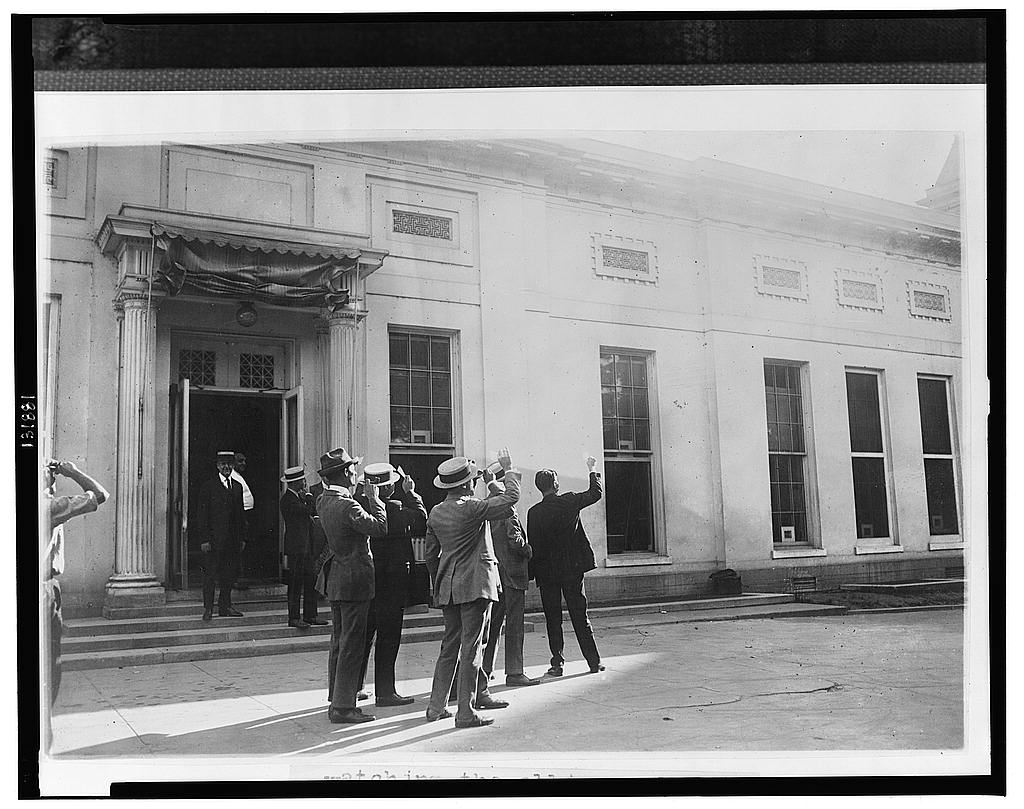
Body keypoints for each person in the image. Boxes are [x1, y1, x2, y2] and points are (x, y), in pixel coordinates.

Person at [424, 448, 520, 729]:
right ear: (466, 483)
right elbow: (510, 499)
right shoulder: (473, 507)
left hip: (448, 587)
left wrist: (439, 582)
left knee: (449, 646)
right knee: (472, 648)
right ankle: (464, 712)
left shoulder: (436, 511)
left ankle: (436, 706)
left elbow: (431, 555)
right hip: (475, 585)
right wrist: (506, 469)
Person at [315, 447, 387, 724]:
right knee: (352, 644)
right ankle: (344, 707)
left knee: (339, 641)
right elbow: (379, 528)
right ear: (346, 473)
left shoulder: (324, 501)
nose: (356, 475)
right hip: (355, 580)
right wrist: (374, 499)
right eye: (353, 470)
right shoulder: (348, 505)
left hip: (337, 581)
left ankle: (337, 698)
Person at [355, 463, 427, 708]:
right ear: (388, 488)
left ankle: (355, 687)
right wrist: (411, 493)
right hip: (392, 583)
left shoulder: (357, 507)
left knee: (364, 636)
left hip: (366, 581)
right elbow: (421, 519)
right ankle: (385, 692)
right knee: (388, 638)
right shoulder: (395, 509)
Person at [526, 456, 605, 677]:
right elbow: (595, 494)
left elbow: (533, 545)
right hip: (572, 570)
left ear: (540, 488)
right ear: (556, 485)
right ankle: (593, 662)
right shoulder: (569, 501)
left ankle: (557, 663)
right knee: (580, 616)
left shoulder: (534, 512)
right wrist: (592, 469)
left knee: (553, 619)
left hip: (547, 574)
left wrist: (531, 575)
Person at [43, 459, 109, 707]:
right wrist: (74, 472)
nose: (53, 475)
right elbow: (101, 494)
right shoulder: (49, 506)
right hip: (44, 589)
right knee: (50, 662)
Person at [478, 463, 541, 694]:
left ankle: (485, 669)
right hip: (512, 574)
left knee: (493, 625)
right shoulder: (507, 509)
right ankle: (515, 672)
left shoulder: (486, 506)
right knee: (514, 625)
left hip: (495, 574)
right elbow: (515, 540)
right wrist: (529, 550)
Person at [194, 451, 248, 621]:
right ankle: (208, 608)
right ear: (217, 466)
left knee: (229, 574)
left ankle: (225, 606)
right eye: (223, 464)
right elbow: (202, 516)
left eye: (229, 464)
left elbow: (240, 515)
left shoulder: (237, 487)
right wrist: (204, 539)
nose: (226, 467)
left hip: (232, 541)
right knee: (210, 575)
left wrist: (242, 538)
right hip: (214, 541)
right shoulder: (208, 487)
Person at [279, 466, 326, 629]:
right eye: (303, 480)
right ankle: (293, 618)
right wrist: (308, 496)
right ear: (296, 482)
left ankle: (310, 615)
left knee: (310, 580)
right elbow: (307, 511)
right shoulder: (287, 500)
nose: (305, 483)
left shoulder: (297, 499)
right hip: (296, 548)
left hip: (306, 547)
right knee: (295, 583)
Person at [231, 452, 254, 589]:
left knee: (242, 546)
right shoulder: (233, 477)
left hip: (245, 514)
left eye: (244, 461)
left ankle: (240, 577)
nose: (243, 464)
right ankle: (237, 578)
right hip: (239, 515)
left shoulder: (239, 477)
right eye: (240, 461)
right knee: (238, 546)